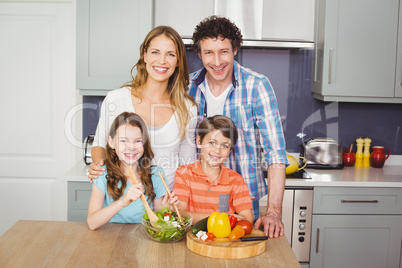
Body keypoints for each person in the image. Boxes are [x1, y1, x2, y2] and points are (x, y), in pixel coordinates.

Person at [188, 16, 288, 238]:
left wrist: (273, 212)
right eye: (208, 53)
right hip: (196, 203)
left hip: (241, 205)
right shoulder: (187, 88)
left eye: (223, 51)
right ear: (199, 54)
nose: (216, 61)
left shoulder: (257, 86)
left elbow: (275, 154)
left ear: (235, 49)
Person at [88, 26, 197, 190]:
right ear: (144, 55)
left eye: (171, 54)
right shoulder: (116, 99)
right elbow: (100, 145)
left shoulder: (187, 108)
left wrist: (177, 204)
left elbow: (188, 164)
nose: (162, 60)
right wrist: (99, 167)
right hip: (123, 197)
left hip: (166, 205)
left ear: (178, 62)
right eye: (155, 52)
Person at [87, 112, 179, 230]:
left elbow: (158, 220)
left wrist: (168, 210)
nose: (131, 147)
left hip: (144, 238)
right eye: (123, 141)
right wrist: (122, 202)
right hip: (110, 238)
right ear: (111, 142)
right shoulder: (102, 173)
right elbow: (92, 223)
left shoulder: (156, 174)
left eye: (138, 141)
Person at [173, 115, 254, 224]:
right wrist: (224, 217)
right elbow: (180, 215)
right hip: (192, 238)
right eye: (212, 143)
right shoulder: (183, 174)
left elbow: (247, 219)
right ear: (198, 141)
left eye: (224, 146)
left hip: (224, 239)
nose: (217, 150)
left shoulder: (236, 180)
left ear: (230, 151)